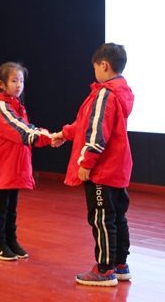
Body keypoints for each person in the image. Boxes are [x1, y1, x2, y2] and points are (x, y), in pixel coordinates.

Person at [52, 43, 134, 286]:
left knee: (102, 218)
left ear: (104, 65)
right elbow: (86, 123)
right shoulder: (121, 92)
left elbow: (97, 132)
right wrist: (63, 133)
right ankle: (120, 264)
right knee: (117, 216)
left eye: (95, 67)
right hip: (118, 168)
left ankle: (104, 270)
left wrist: (86, 162)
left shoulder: (105, 94)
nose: (94, 72)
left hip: (102, 169)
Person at [0, 62, 55, 261]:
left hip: (14, 164)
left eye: (21, 81)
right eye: (14, 81)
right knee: (1, 207)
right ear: (1, 84)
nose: (19, 85)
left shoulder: (16, 106)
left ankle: (11, 241)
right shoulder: (3, 107)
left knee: (11, 207)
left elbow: (27, 127)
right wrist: (49, 137)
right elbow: (22, 131)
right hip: (4, 164)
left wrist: (47, 135)